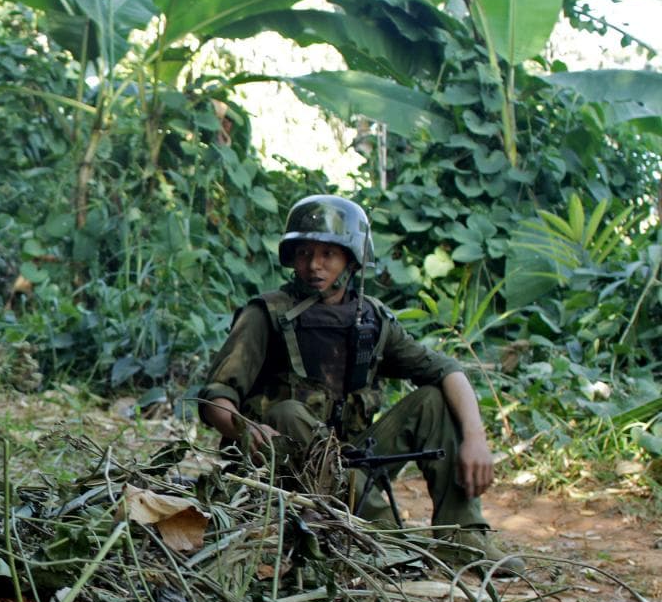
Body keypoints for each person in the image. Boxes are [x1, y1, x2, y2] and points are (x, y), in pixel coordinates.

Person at [198, 194, 522, 570]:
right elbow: (215, 397)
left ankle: (462, 537)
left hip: (353, 458)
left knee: (433, 400)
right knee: (287, 413)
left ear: (351, 259)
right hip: (283, 470)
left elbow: (446, 370)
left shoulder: (371, 319)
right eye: (304, 253)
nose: (314, 266)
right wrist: (244, 428)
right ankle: (380, 536)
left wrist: (476, 439)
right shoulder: (267, 314)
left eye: (327, 255)